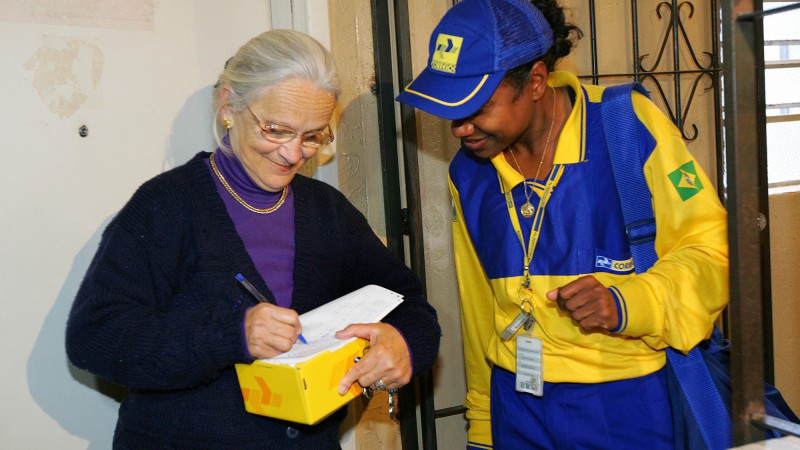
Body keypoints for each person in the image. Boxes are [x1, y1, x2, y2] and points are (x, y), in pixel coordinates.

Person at [66, 29, 440, 449]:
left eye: (313, 135)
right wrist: (230, 335)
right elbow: (94, 337)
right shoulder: (166, 206)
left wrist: (404, 342)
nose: (294, 154)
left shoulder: (326, 211)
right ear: (229, 107)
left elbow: (411, 305)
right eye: (276, 129)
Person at [396, 0, 728, 448]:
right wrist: (484, 421)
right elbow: (480, 305)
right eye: (453, 110)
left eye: (477, 106)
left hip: (624, 399)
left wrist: (630, 301)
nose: (461, 129)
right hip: (516, 401)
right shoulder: (469, 171)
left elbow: (713, 249)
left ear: (535, 81)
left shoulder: (626, 125)